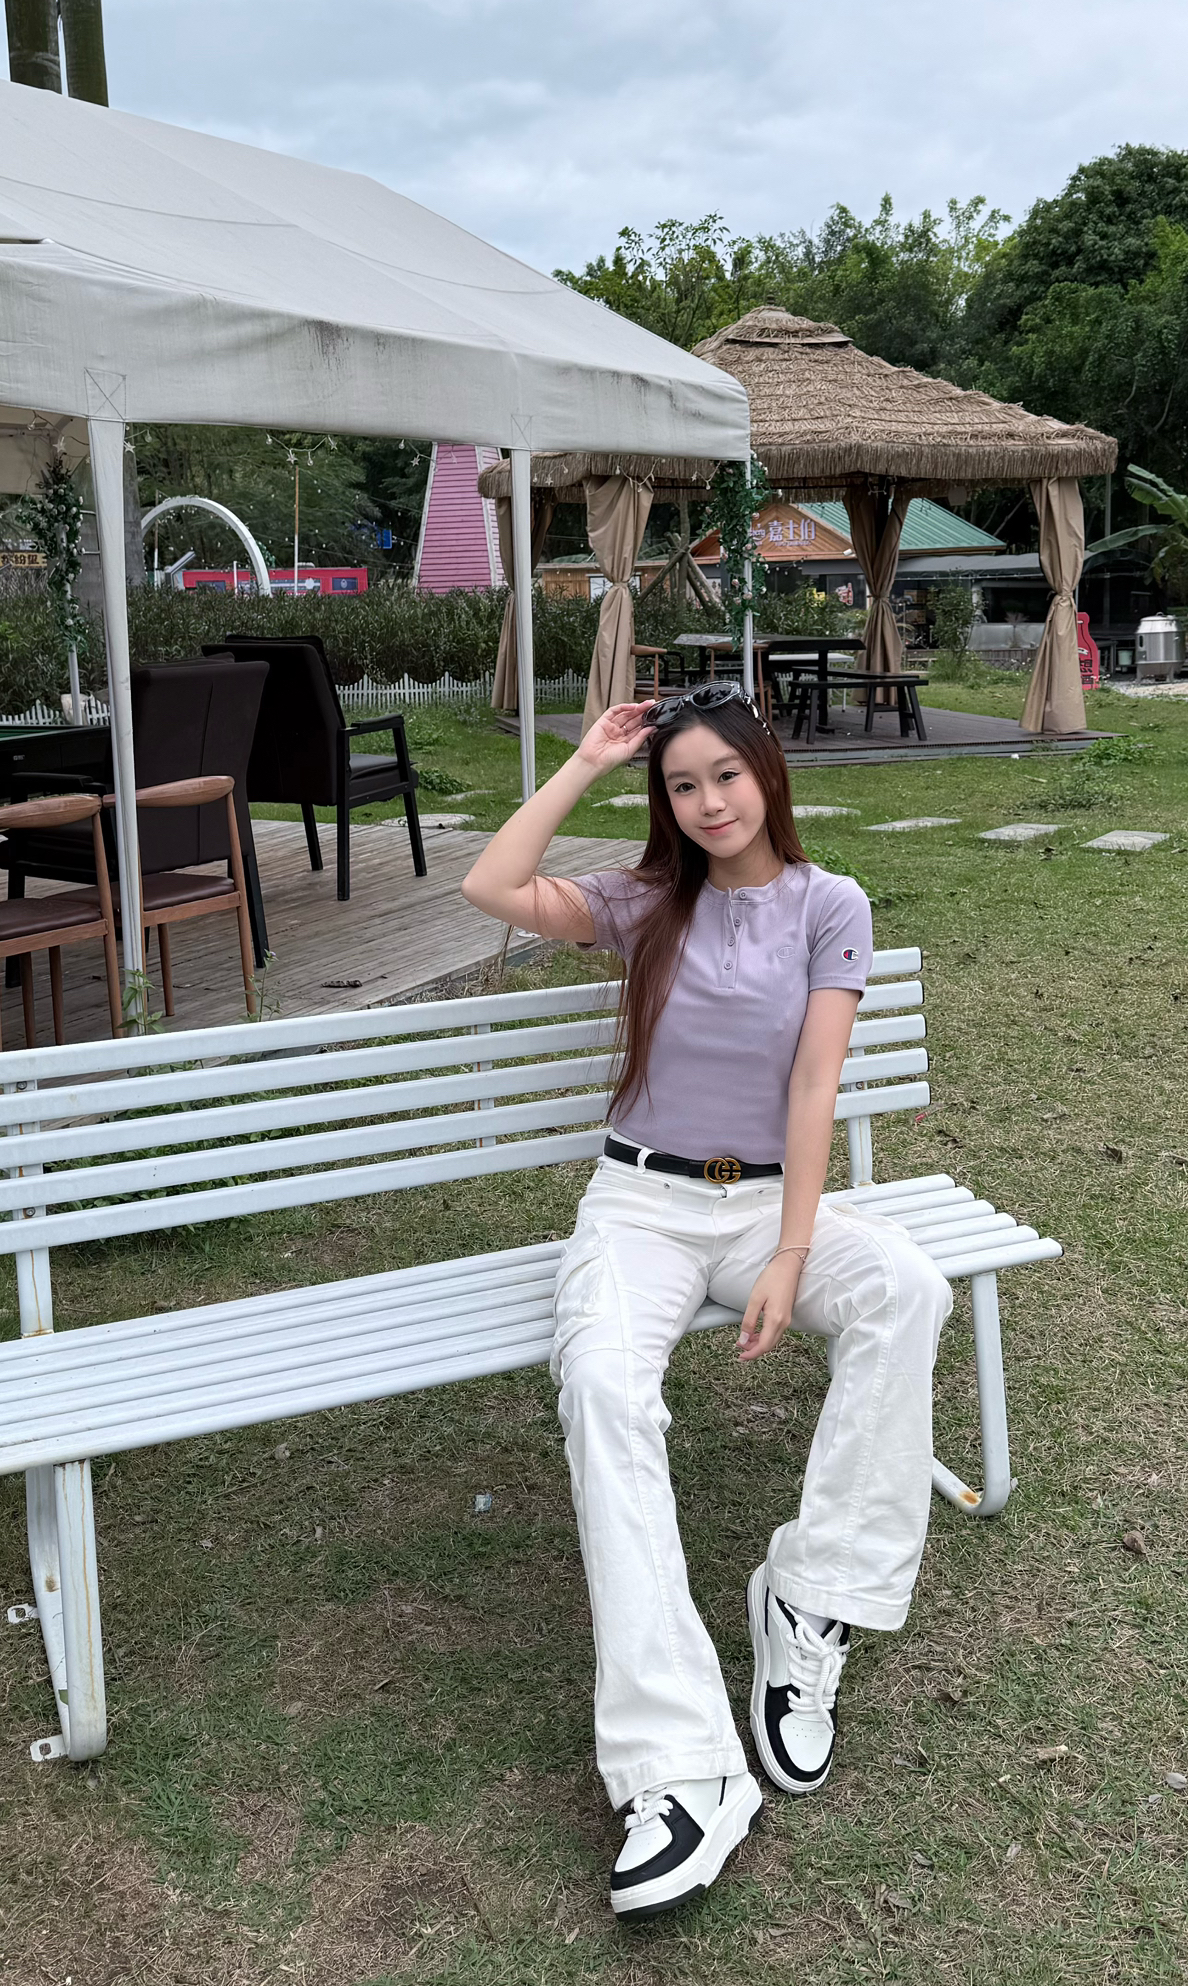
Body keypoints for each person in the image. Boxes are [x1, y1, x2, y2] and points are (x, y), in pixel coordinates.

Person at [462, 683, 952, 1920]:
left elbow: (813, 1084)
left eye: (724, 776)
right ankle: (678, 1768)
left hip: (766, 1205)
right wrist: (586, 760)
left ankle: (812, 1600)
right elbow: (490, 884)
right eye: (681, 786)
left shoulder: (829, 906)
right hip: (638, 1207)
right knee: (604, 1393)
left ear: (764, 773)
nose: (708, 803)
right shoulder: (643, 902)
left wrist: (791, 1251)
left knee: (905, 1286)